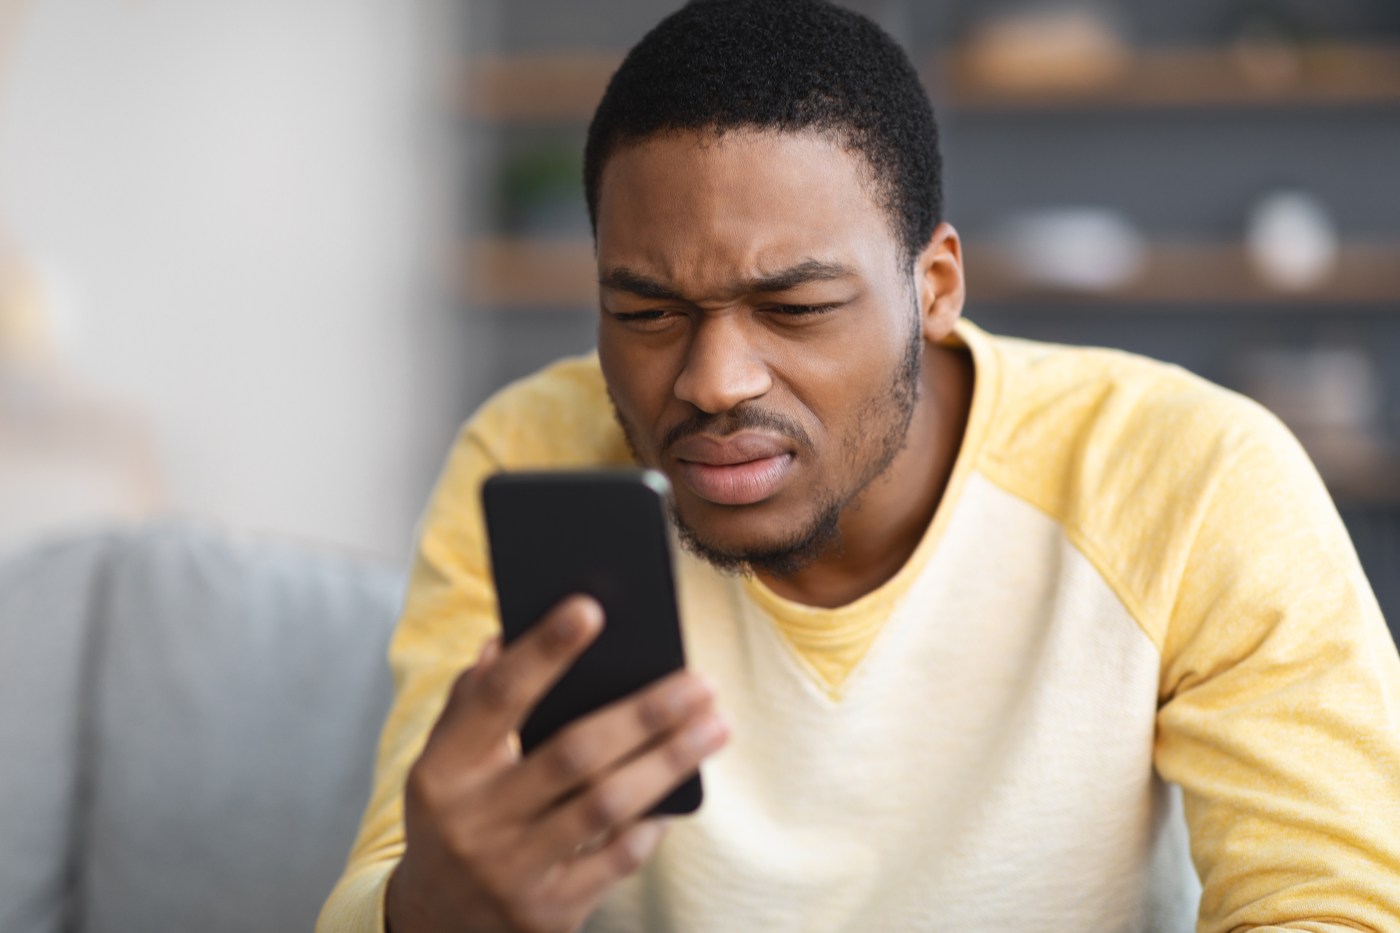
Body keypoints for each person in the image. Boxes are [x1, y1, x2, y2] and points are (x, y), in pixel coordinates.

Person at [319, 2, 1400, 930]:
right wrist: (424, 911)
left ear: (932, 286)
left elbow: (1336, 899)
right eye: (644, 312)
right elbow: (386, 882)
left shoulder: (1189, 474)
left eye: (793, 308)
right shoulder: (529, 454)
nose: (713, 380)